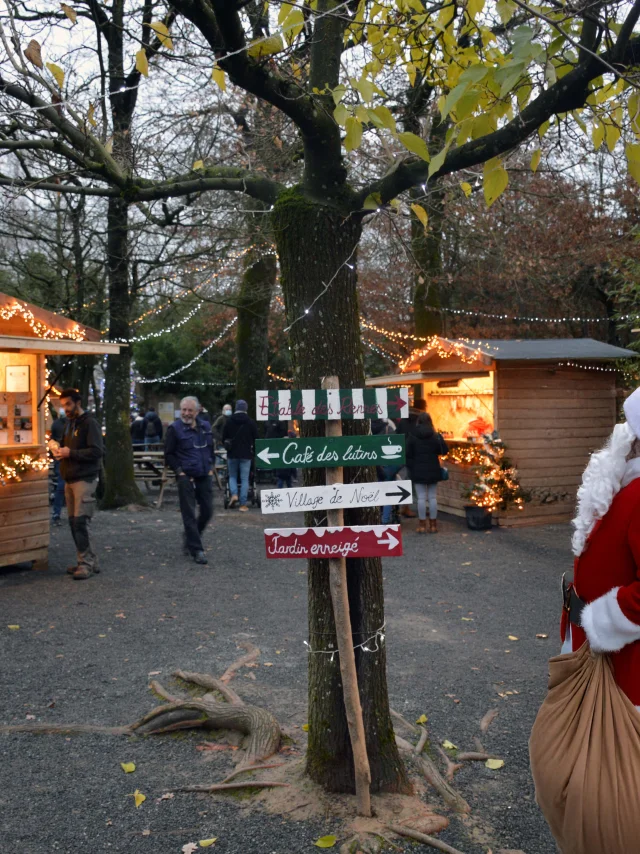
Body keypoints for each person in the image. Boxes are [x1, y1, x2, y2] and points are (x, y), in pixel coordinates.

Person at [529, 387, 640, 853]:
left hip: (623, 671)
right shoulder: (625, 481)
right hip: (592, 652)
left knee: (606, 794)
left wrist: (601, 622)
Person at [51, 389, 104, 579]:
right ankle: (88, 560)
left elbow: (97, 451)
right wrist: (56, 449)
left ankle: (86, 563)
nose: (65, 409)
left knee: (80, 522)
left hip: (85, 478)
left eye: (68, 404)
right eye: (63, 405)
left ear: (77, 403)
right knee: (74, 523)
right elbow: (66, 447)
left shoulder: (90, 423)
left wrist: (70, 454)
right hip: (70, 478)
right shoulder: (69, 424)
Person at [164, 396, 214, 565]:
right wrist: (179, 471)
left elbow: (210, 447)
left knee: (207, 511)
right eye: (183, 410)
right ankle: (197, 550)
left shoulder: (205, 427)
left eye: (189, 410)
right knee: (189, 514)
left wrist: (210, 465)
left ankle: (191, 536)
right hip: (186, 476)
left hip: (203, 474)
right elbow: (169, 453)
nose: (186, 413)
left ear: (197, 411)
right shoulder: (174, 429)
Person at [406, 412, 448, 534]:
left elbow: (407, 453)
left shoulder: (412, 435)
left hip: (417, 470)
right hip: (433, 469)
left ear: (418, 422)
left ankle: (422, 525)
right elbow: (444, 450)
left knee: (421, 498)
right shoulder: (435, 435)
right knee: (432, 497)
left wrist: (411, 466)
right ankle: (433, 525)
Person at [222, 399, 258, 512]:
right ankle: (243, 504)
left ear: (236, 408)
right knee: (244, 479)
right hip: (246, 454)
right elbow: (256, 438)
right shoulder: (250, 422)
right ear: (246, 409)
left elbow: (224, 438)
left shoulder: (229, 421)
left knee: (232, 476)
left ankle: (234, 495)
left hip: (232, 454)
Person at [50, 409, 67, 526]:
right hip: (66, 458)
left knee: (60, 488)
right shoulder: (75, 423)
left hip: (60, 459)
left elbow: (52, 440)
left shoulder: (56, 424)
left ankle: (56, 513)